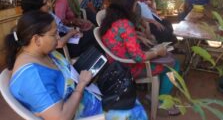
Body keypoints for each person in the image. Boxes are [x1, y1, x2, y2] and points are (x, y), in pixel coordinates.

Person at [5, 11, 147, 120]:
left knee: (130, 99)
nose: (59, 38)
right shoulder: (32, 77)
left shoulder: (41, 53)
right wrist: (81, 85)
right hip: (83, 114)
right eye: (54, 34)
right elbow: (61, 117)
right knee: (134, 112)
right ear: (36, 39)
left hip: (86, 97)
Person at [100, 0, 180, 115]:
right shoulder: (125, 24)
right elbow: (138, 57)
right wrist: (157, 52)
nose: (136, 4)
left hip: (114, 65)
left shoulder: (110, 19)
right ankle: (160, 101)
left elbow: (122, 40)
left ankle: (152, 95)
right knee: (174, 64)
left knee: (165, 57)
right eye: (135, 1)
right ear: (128, 4)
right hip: (128, 69)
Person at [21, 0, 98, 58]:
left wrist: (74, 31)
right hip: (64, 49)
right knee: (95, 37)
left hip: (68, 39)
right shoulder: (36, 24)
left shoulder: (48, 13)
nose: (49, 4)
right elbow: (58, 43)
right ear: (36, 7)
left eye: (48, 0)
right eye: (46, 3)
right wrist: (71, 33)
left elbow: (61, 27)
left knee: (94, 33)